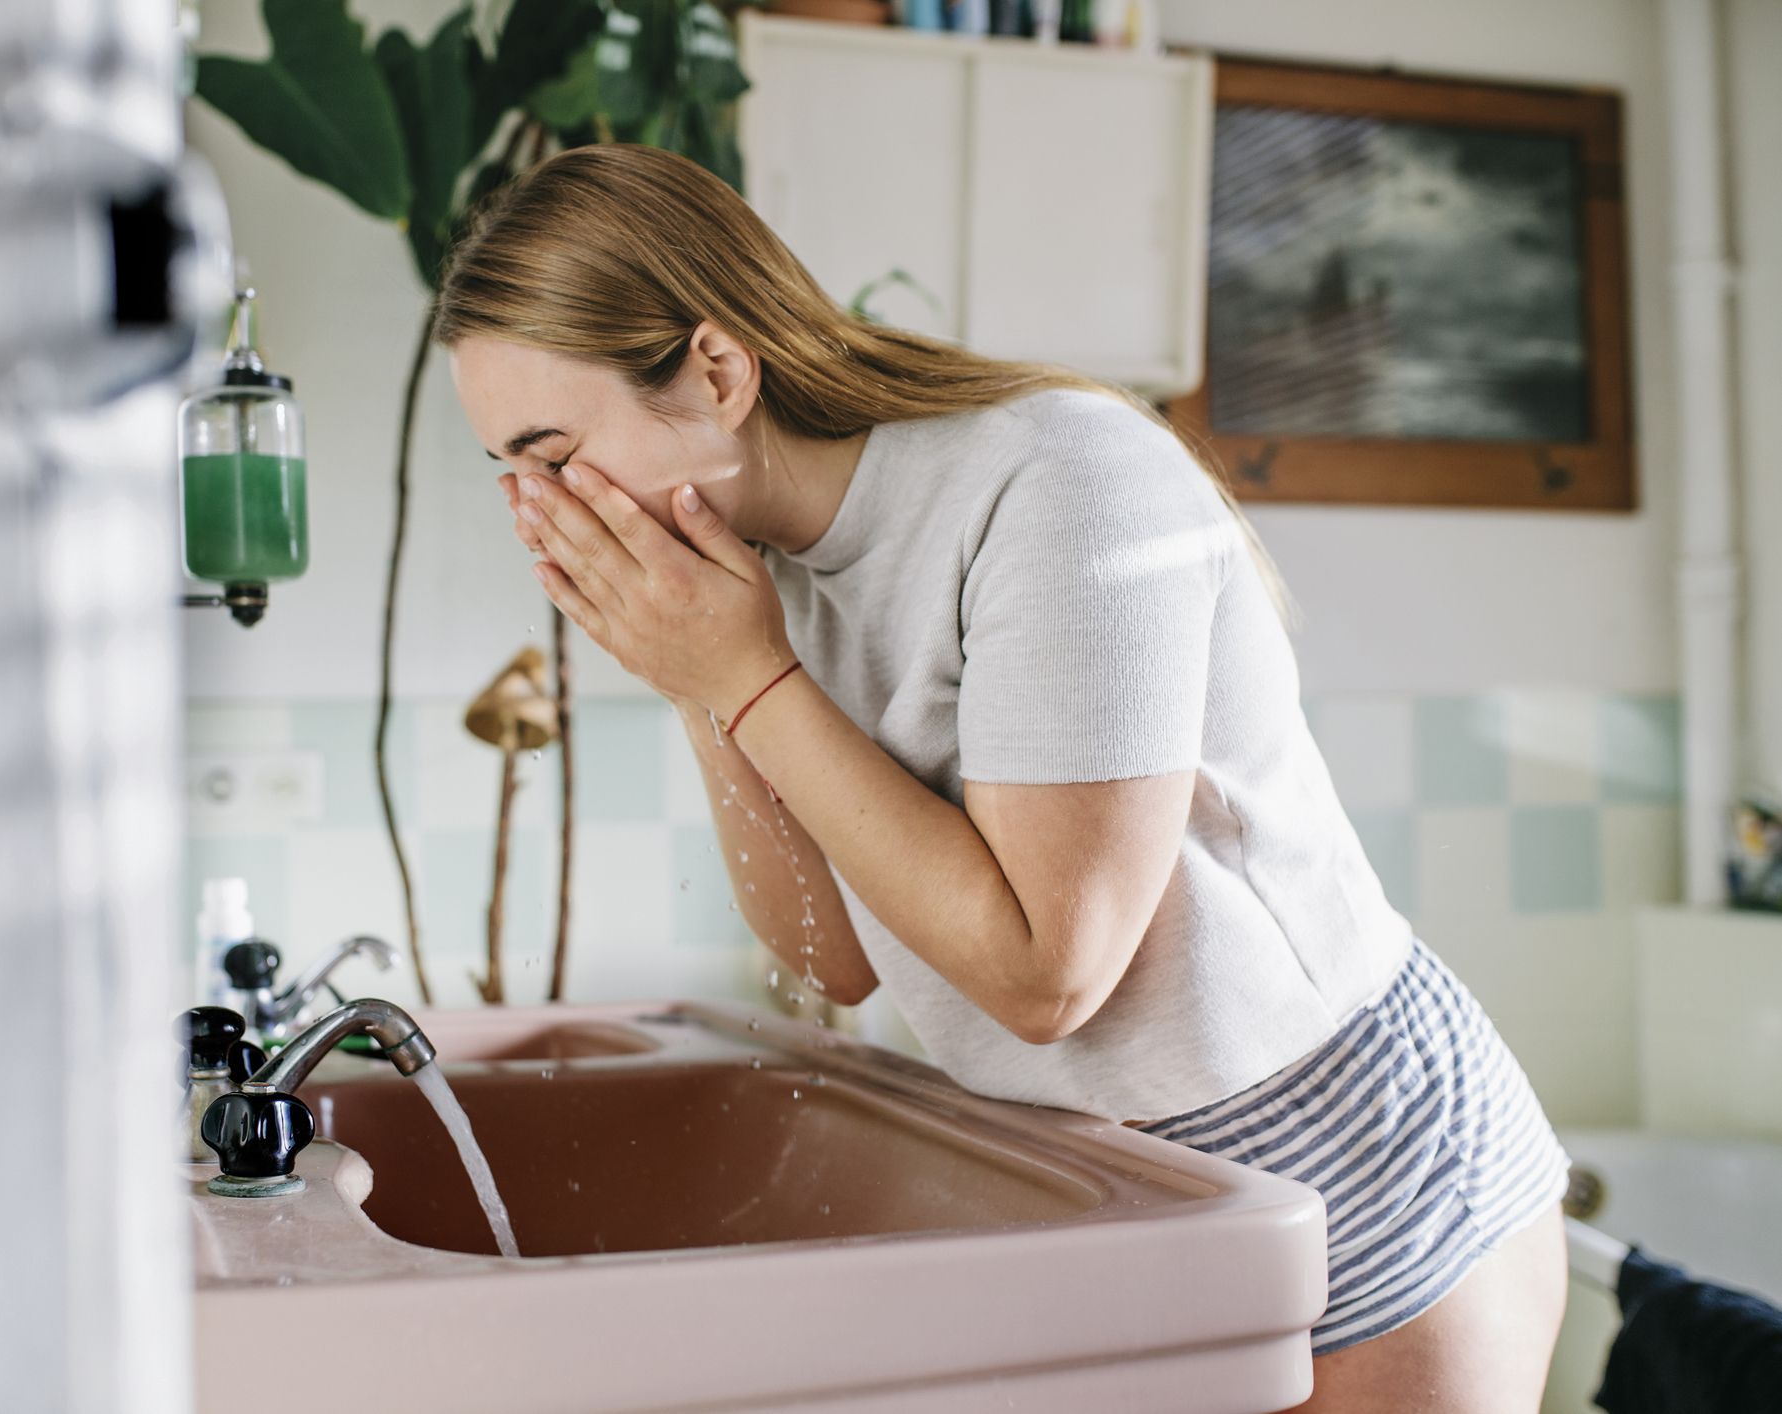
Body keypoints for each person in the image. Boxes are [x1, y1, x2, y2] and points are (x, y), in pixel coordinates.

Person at [432, 142, 1568, 1412]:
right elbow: (834, 959)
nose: (539, 509)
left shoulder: (1059, 482)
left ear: (714, 370)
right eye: (510, 472)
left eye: (552, 451)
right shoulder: (761, 577)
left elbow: (1049, 973)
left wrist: (747, 677)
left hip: (1355, 1169)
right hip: (1128, 1195)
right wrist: (710, 679)